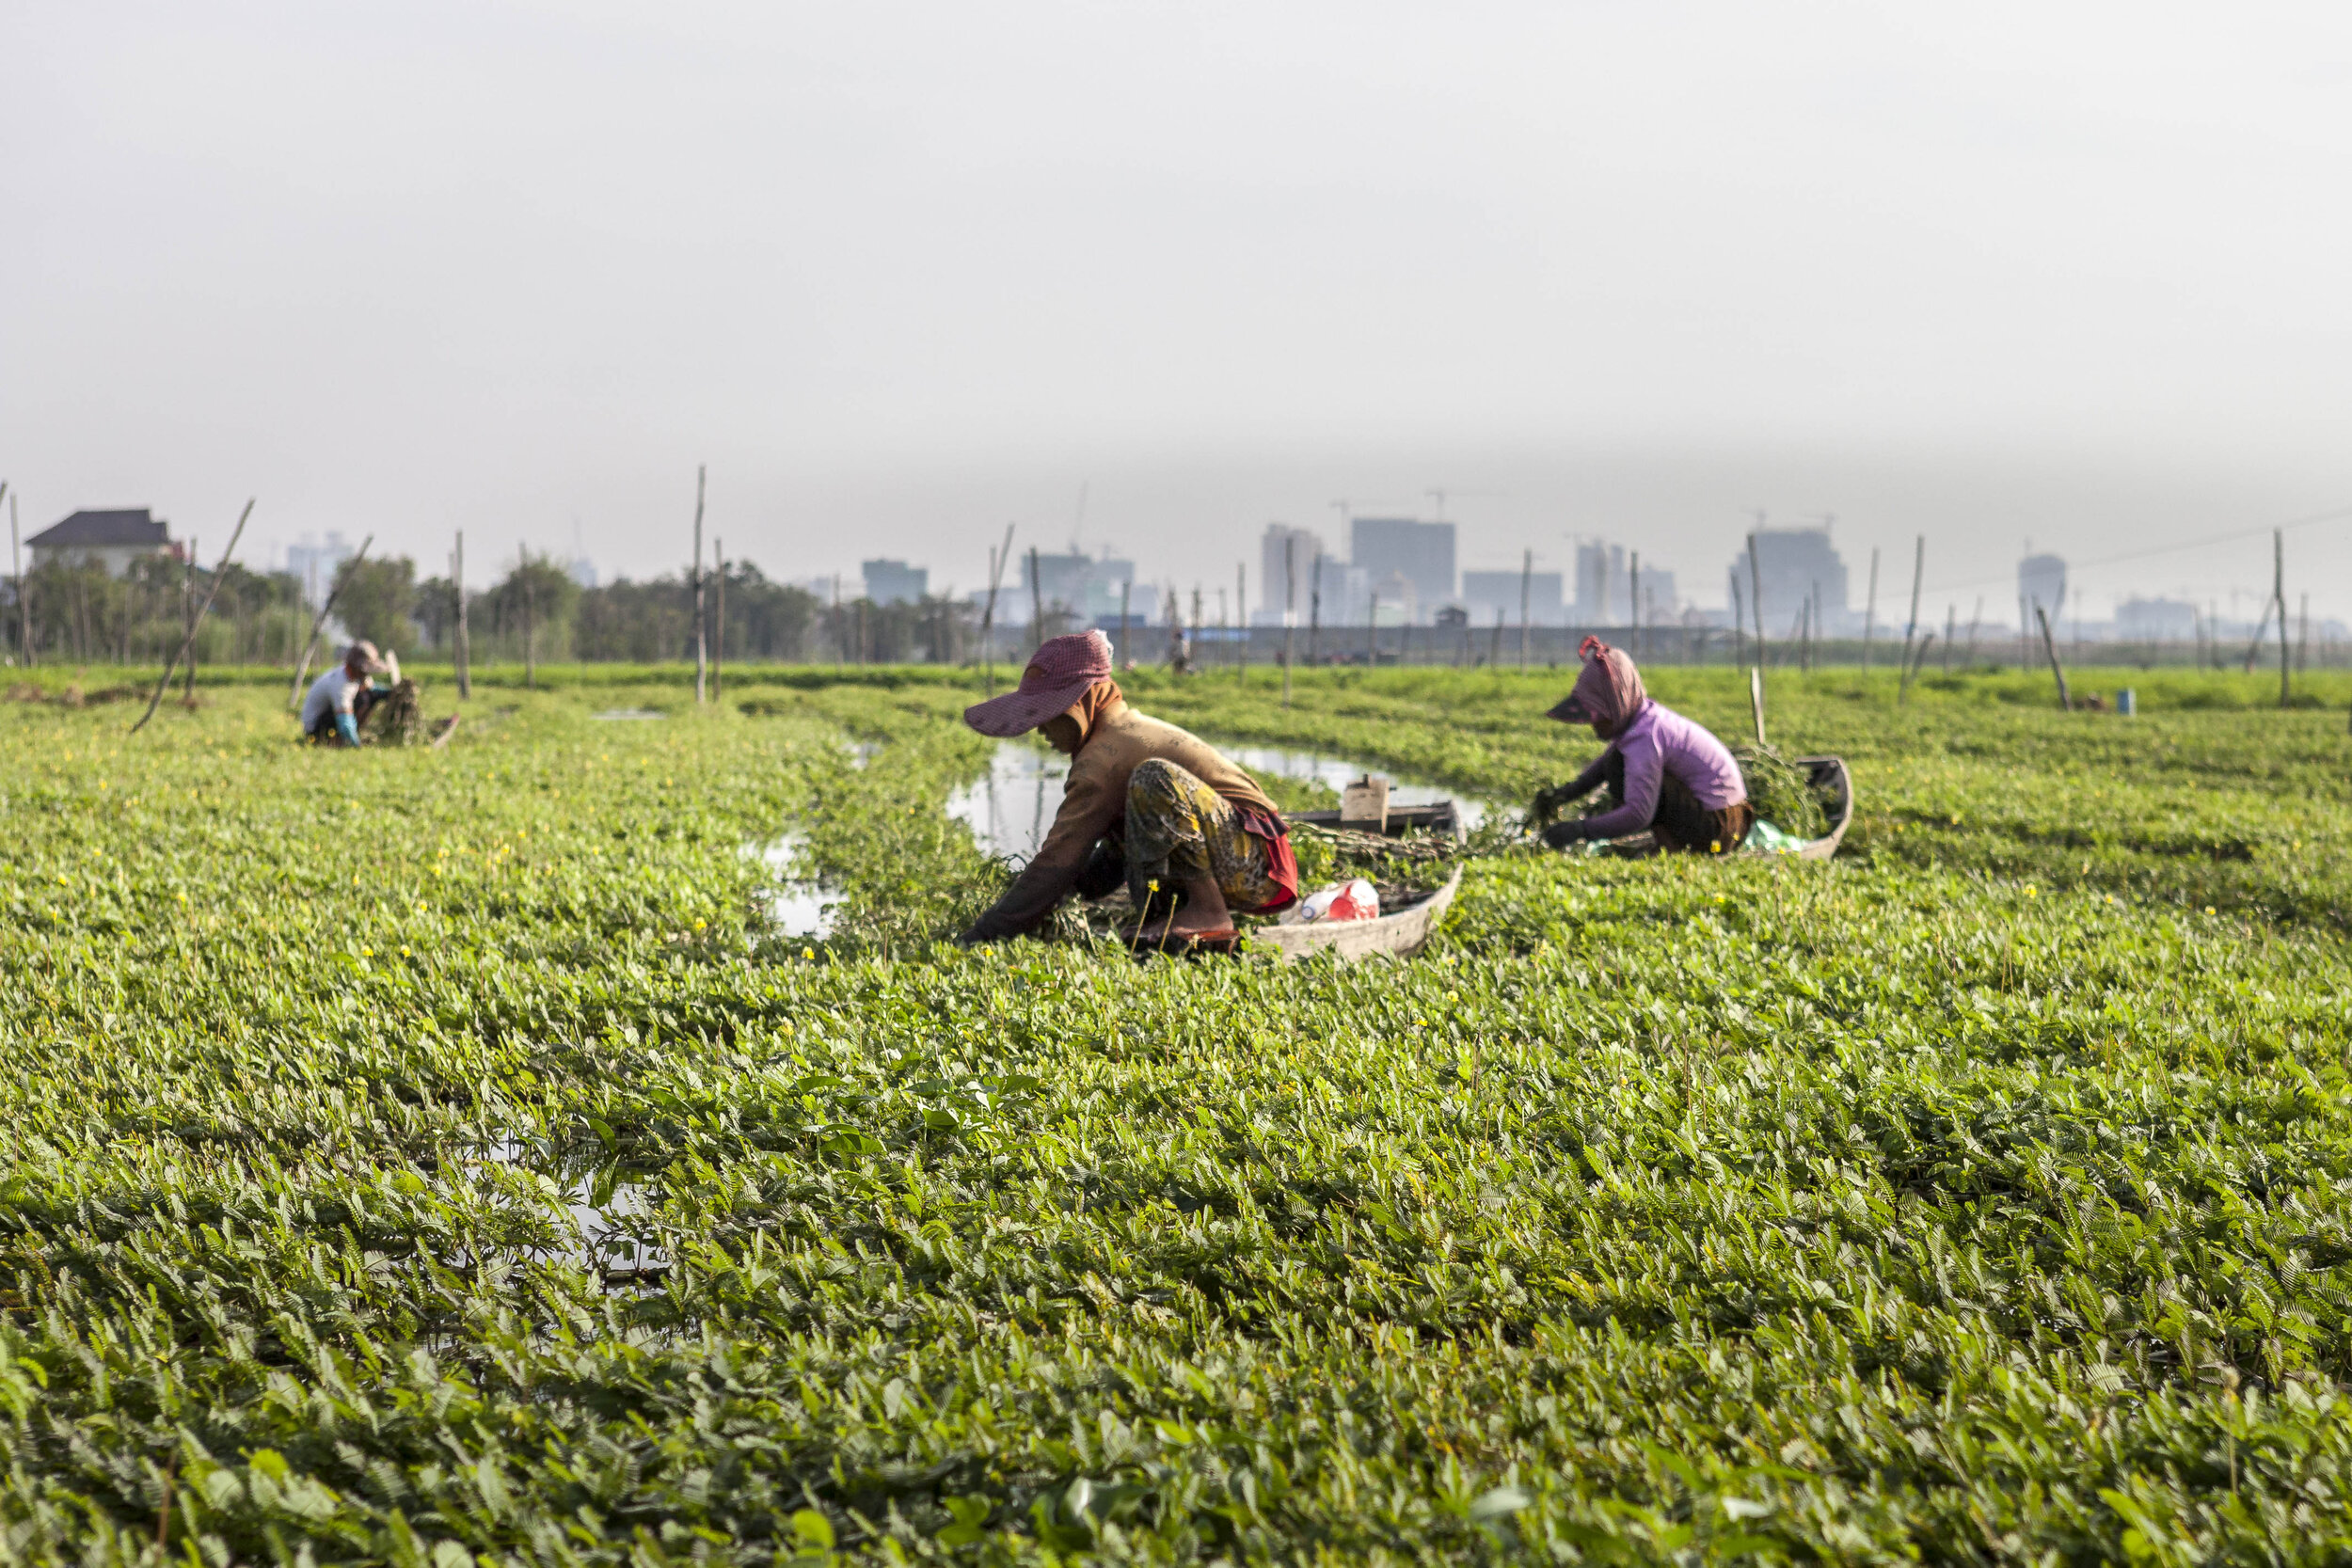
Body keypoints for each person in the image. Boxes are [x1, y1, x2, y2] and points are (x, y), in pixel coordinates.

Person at [959, 630, 1297, 947]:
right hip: (1242, 858)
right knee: (1127, 814)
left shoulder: (1106, 756)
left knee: (1154, 779)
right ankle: (1177, 914)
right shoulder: (1117, 736)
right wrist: (1066, 894)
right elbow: (1094, 859)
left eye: (1047, 715)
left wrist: (985, 933)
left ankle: (1207, 912)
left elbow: (1060, 856)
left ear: (1081, 703)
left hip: (1255, 863)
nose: (1040, 729)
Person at [1533, 636, 1753, 853]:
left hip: (1719, 826)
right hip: (1731, 821)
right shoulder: (1644, 720)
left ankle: (1674, 847)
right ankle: (1669, 844)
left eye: (1598, 714)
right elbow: (1600, 768)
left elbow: (1639, 814)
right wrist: (1562, 795)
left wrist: (1581, 829)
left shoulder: (1645, 737)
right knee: (1616, 761)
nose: (1593, 723)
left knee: (1619, 769)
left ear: (1617, 704)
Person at [301, 641, 400, 747]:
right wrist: (357, 746)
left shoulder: (357, 678)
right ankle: (338, 741)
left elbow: (374, 690)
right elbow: (345, 723)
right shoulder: (340, 684)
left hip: (329, 721)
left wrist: (394, 693)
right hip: (316, 729)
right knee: (363, 699)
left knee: (369, 695)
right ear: (351, 667)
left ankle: (346, 739)